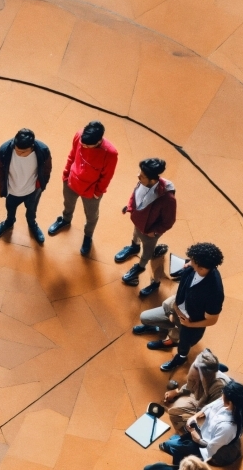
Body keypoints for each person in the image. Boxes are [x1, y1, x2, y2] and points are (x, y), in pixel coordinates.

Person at [132, 243, 225, 371]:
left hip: (190, 322)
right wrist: (175, 308)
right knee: (145, 317)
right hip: (176, 306)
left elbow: (212, 320)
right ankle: (163, 328)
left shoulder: (214, 292)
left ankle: (179, 358)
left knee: (183, 347)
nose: (189, 261)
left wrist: (189, 324)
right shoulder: (192, 268)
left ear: (202, 267)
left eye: (192, 260)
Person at [48, 121, 118, 256]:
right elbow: (72, 155)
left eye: (87, 145)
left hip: (91, 192)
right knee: (68, 204)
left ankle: (88, 236)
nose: (83, 146)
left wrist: (97, 193)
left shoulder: (110, 154)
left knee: (91, 216)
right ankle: (65, 220)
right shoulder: (79, 136)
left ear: (99, 141)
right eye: (82, 143)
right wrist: (66, 174)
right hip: (71, 182)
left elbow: (107, 176)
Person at [114, 158, 176, 297]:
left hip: (149, 232)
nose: (138, 176)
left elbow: (169, 221)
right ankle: (134, 247)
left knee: (147, 251)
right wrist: (130, 207)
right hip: (138, 222)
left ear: (153, 180)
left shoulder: (167, 199)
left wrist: (155, 232)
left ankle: (140, 266)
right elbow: (135, 195)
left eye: (142, 176)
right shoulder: (143, 182)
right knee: (135, 234)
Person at [160, 380, 243, 466]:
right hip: (209, 436)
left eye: (223, 395)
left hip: (217, 453)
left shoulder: (228, 427)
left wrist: (197, 439)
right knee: (179, 444)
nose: (221, 396)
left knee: (171, 445)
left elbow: (211, 449)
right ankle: (178, 460)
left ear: (230, 403)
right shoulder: (237, 405)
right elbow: (211, 406)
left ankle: (175, 455)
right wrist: (195, 416)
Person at [0, 128, 52, 245]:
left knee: (32, 211)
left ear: (32, 147)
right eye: (17, 150)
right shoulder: (4, 150)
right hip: (12, 191)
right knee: (10, 209)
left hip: (32, 191)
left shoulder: (43, 151)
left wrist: (41, 185)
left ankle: (32, 224)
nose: (19, 153)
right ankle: (8, 222)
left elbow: (46, 169)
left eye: (23, 152)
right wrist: (2, 186)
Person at [163, 348, 230, 434]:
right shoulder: (198, 375)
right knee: (174, 411)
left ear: (204, 380)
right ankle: (214, 365)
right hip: (203, 402)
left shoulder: (219, 390)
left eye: (194, 381)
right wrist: (177, 392)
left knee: (197, 428)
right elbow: (189, 385)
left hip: (214, 413)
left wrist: (195, 418)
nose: (191, 381)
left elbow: (214, 416)